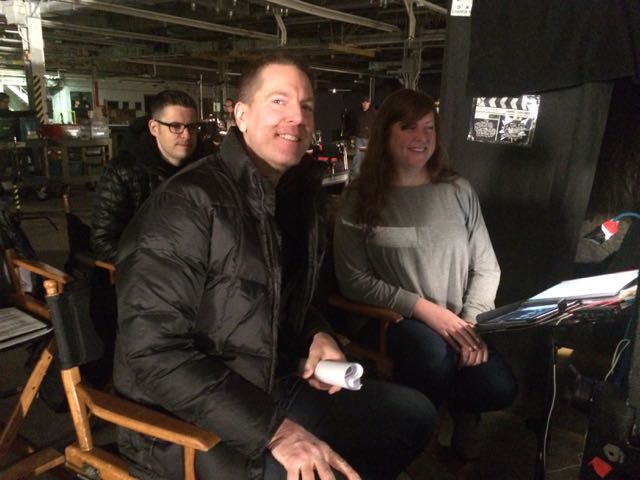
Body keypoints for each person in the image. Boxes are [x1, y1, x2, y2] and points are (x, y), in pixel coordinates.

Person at [113, 56, 435, 479]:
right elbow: (153, 354)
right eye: (278, 101)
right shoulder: (187, 204)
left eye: (306, 106)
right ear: (241, 115)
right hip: (182, 419)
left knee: (414, 415)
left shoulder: (297, 196)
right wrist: (276, 432)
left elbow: (291, 298)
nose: (296, 117)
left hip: (272, 384)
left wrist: (317, 334)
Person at [333, 88, 518, 461]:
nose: (421, 137)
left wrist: (470, 323)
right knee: (433, 355)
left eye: (428, 128)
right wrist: (423, 309)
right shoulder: (360, 197)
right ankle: (421, 441)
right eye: (408, 127)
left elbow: (487, 266)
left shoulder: (458, 190)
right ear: (386, 133)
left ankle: (459, 410)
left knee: (501, 387)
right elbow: (353, 279)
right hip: (394, 321)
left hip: (458, 320)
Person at [91, 89, 212, 262]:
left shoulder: (207, 166)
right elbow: (104, 242)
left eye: (192, 127)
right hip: (150, 269)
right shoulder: (123, 172)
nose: (186, 135)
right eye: (175, 126)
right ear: (154, 128)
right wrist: (158, 265)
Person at [350, 96, 375, 179]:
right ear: (362, 103)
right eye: (363, 103)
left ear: (369, 103)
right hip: (359, 137)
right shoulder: (358, 113)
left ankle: (369, 172)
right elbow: (354, 124)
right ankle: (355, 172)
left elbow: (378, 124)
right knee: (358, 155)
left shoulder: (373, 113)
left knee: (369, 155)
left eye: (366, 103)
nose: (365, 104)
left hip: (369, 138)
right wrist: (353, 134)